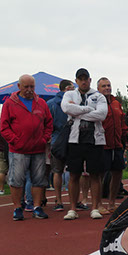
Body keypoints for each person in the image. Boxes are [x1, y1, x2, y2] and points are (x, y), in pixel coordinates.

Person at [0, 74, 53, 221]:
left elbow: (49, 123)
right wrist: (15, 141)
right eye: (26, 87)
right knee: (16, 180)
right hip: (18, 150)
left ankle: (37, 207)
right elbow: (4, 127)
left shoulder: (41, 103)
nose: (29, 89)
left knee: (39, 180)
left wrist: (44, 139)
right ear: (19, 86)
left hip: (38, 149)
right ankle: (17, 208)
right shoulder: (9, 104)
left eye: (32, 87)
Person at [61, 68, 108, 220]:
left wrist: (77, 113)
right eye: (80, 79)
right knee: (74, 174)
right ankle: (72, 209)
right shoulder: (69, 94)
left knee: (95, 174)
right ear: (76, 81)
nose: (83, 81)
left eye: (85, 79)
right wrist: (88, 110)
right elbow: (66, 108)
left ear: (89, 80)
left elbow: (101, 114)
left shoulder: (99, 96)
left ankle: (94, 208)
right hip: (75, 140)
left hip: (95, 140)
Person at [98, 77, 128, 213]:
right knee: (99, 175)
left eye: (108, 85)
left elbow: (122, 122)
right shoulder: (96, 103)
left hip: (117, 145)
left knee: (117, 173)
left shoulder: (116, 103)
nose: (107, 88)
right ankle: (98, 204)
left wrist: (125, 138)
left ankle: (111, 203)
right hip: (102, 145)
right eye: (104, 86)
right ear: (98, 89)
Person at [47, 79, 74, 211]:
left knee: (57, 171)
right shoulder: (73, 102)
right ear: (67, 89)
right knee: (73, 172)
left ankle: (58, 201)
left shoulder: (50, 104)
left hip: (56, 140)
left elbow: (47, 124)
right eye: (72, 88)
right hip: (71, 139)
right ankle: (74, 201)